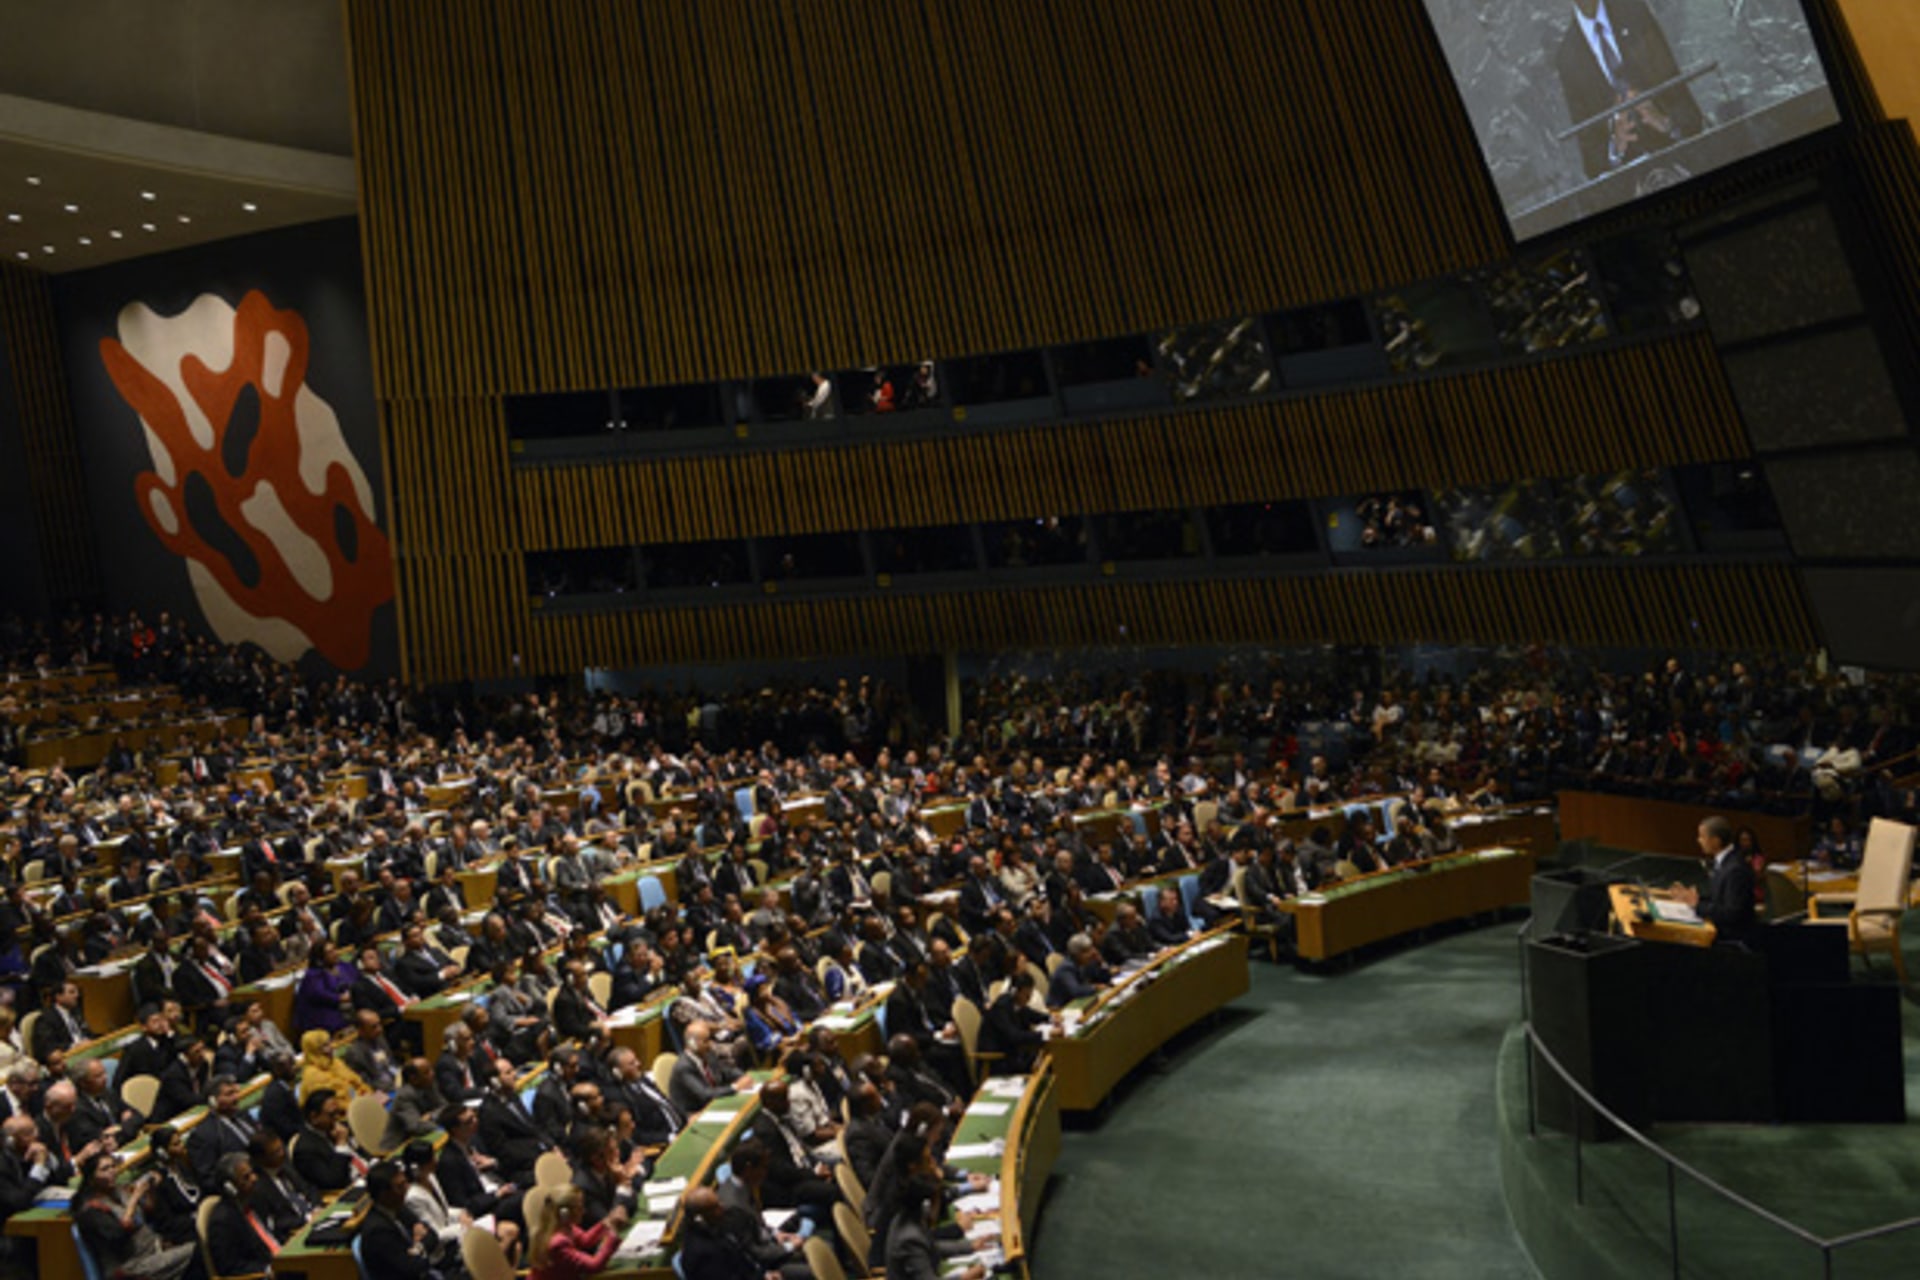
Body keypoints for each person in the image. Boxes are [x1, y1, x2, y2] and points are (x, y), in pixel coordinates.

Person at [1554, 0, 1704, 181]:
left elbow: (1687, 109)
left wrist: (1666, 122)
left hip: (1680, 163)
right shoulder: (1568, 57)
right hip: (1631, 186)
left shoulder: (1635, 14)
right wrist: (1615, 149)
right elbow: (1591, 160)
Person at [73, 1150, 198, 1280]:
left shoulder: (119, 1191)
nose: (112, 1171)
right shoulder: (91, 1211)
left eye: (113, 1166)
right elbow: (119, 1234)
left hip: (153, 1249)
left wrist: (150, 1190)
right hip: (130, 1267)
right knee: (197, 1251)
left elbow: (149, 1212)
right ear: (92, 1178)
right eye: (104, 1169)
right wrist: (134, 1199)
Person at [1667, 816, 1756, 944]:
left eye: (1702, 837)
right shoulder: (1724, 861)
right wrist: (1694, 899)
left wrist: (1697, 905)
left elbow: (1732, 914)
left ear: (1715, 841)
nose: (1699, 840)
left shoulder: (1735, 869)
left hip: (1730, 940)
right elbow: (1719, 900)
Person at [358, 1159, 437, 1280]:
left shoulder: (398, 1208)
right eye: (400, 1186)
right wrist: (420, 1245)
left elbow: (432, 1235)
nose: (407, 1189)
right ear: (383, 1194)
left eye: (406, 1183)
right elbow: (414, 1267)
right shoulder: (378, 1232)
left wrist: (416, 1249)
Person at [528, 1182, 625, 1280]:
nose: (584, 1211)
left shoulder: (562, 1227)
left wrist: (606, 1222)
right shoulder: (558, 1243)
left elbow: (585, 1240)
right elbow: (594, 1265)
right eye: (579, 1208)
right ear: (565, 1213)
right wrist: (613, 1235)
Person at [299, 1028, 373, 1102]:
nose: (332, 1047)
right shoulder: (312, 1075)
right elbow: (334, 1104)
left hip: (359, 1102)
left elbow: (358, 1082)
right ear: (315, 1051)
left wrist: (367, 1093)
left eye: (330, 1042)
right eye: (325, 1046)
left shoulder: (335, 1062)